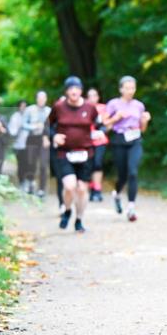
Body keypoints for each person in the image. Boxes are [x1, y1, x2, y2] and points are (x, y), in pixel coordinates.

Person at [48, 76, 103, 233]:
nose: (74, 91)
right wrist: (54, 136)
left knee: (81, 189)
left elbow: (101, 125)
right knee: (69, 185)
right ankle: (67, 210)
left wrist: (99, 132)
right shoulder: (58, 107)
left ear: (81, 91)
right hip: (65, 153)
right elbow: (48, 126)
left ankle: (79, 219)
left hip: (86, 153)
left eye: (77, 88)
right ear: (66, 92)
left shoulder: (90, 108)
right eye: (71, 88)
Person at [104, 76, 150, 221]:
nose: (130, 91)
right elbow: (105, 125)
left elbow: (143, 129)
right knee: (122, 175)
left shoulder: (139, 105)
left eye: (133, 88)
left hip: (135, 140)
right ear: (121, 89)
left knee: (133, 172)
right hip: (119, 140)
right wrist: (116, 118)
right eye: (127, 88)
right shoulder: (113, 104)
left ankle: (131, 208)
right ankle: (116, 194)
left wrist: (144, 121)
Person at [22, 91, 51, 196]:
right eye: (39, 98)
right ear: (36, 99)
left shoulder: (49, 111)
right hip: (32, 138)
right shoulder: (30, 110)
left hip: (44, 139)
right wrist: (34, 127)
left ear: (46, 99)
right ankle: (30, 183)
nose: (41, 100)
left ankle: (42, 189)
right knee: (31, 163)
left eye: (43, 98)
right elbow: (23, 124)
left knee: (43, 164)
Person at [86, 87, 109, 202]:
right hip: (87, 141)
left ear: (98, 97)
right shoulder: (84, 108)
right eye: (89, 96)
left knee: (98, 164)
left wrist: (102, 131)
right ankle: (92, 188)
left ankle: (98, 189)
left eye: (94, 95)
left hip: (100, 140)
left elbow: (107, 124)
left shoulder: (103, 108)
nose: (92, 98)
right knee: (89, 165)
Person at [7, 99, 29, 188]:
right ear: (18, 107)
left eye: (25, 106)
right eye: (22, 106)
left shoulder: (30, 116)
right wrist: (19, 127)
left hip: (29, 144)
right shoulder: (14, 117)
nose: (23, 108)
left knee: (29, 163)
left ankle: (27, 181)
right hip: (18, 145)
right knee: (21, 164)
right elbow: (12, 132)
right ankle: (22, 181)